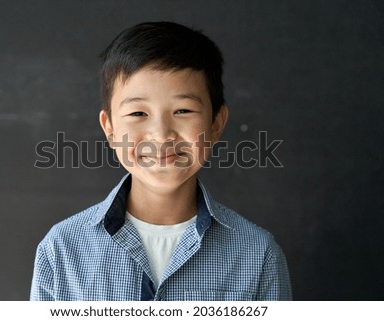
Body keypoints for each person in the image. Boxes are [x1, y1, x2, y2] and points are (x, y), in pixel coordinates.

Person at [30, 21, 292, 301]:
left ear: (216, 123)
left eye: (183, 110)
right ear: (110, 128)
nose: (161, 135)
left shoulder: (257, 254)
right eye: (137, 114)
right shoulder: (62, 249)